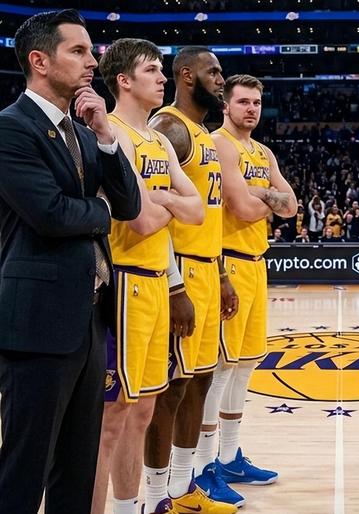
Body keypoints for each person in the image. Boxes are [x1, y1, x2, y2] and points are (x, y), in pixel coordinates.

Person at [0, 10, 140, 514]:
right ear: (39, 61)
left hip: (88, 319)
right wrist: (100, 210)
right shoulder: (11, 128)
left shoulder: (82, 132)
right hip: (37, 324)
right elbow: (52, 214)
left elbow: (130, 205)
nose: (92, 61)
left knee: (77, 470)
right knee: (24, 472)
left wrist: (105, 135)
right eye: (78, 51)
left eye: (91, 50)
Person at [93, 38, 205, 514]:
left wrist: (161, 201)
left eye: (162, 69)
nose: (162, 78)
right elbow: (139, 220)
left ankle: (131, 507)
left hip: (158, 280)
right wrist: (166, 205)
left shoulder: (158, 141)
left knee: (142, 410)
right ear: (123, 80)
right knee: (112, 418)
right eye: (152, 70)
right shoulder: (111, 133)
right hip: (124, 282)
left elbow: (197, 211)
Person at [144, 46, 240, 513]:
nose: (220, 80)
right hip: (178, 271)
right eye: (212, 72)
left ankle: (183, 491)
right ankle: (154, 496)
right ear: (186, 75)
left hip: (206, 269)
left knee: (200, 381)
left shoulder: (202, 132)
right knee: (172, 389)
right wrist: (175, 285)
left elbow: (211, 216)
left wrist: (220, 274)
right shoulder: (169, 128)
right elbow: (154, 212)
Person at [195, 74, 297, 495]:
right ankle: (203, 465)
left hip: (257, 263)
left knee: (245, 366)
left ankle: (229, 456)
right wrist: (266, 194)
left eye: (256, 102)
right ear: (226, 105)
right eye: (243, 102)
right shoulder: (219, 144)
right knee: (220, 368)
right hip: (227, 263)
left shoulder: (263, 151)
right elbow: (239, 206)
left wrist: (260, 194)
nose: (251, 109)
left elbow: (291, 206)